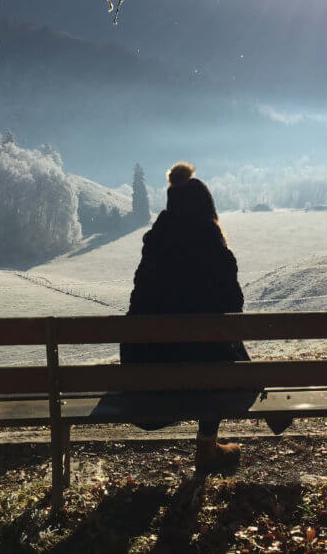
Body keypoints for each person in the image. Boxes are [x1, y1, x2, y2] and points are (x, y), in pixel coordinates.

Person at [121, 162, 249, 473]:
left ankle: (211, 445)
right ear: (208, 209)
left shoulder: (153, 251)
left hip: (146, 389)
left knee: (214, 344)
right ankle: (207, 446)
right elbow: (235, 311)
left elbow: (136, 306)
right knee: (222, 345)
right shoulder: (218, 254)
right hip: (205, 385)